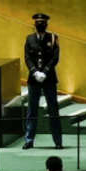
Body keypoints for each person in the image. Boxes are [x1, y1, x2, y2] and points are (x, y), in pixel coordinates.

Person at [23, 13, 62, 149]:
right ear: (35, 24)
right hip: (34, 79)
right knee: (32, 110)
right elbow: (27, 57)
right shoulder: (30, 39)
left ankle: (57, 141)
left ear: (46, 25)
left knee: (53, 109)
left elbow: (55, 57)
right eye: (38, 23)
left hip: (49, 78)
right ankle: (29, 140)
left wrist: (45, 72)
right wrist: (35, 72)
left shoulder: (52, 38)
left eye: (43, 23)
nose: (40, 25)